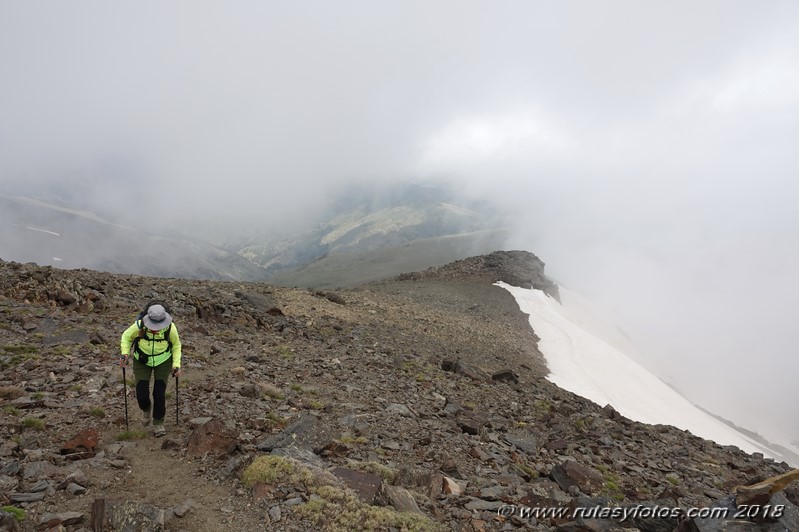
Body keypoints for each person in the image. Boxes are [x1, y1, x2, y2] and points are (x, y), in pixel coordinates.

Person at [119, 304, 182, 437]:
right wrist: (125, 354)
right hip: (142, 360)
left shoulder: (171, 328)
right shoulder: (139, 325)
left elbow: (176, 346)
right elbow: (126, 336)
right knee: (141, 393)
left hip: (163, 361)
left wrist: (176, 365)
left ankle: (158, 423)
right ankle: (146, 409)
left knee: (159, 393)